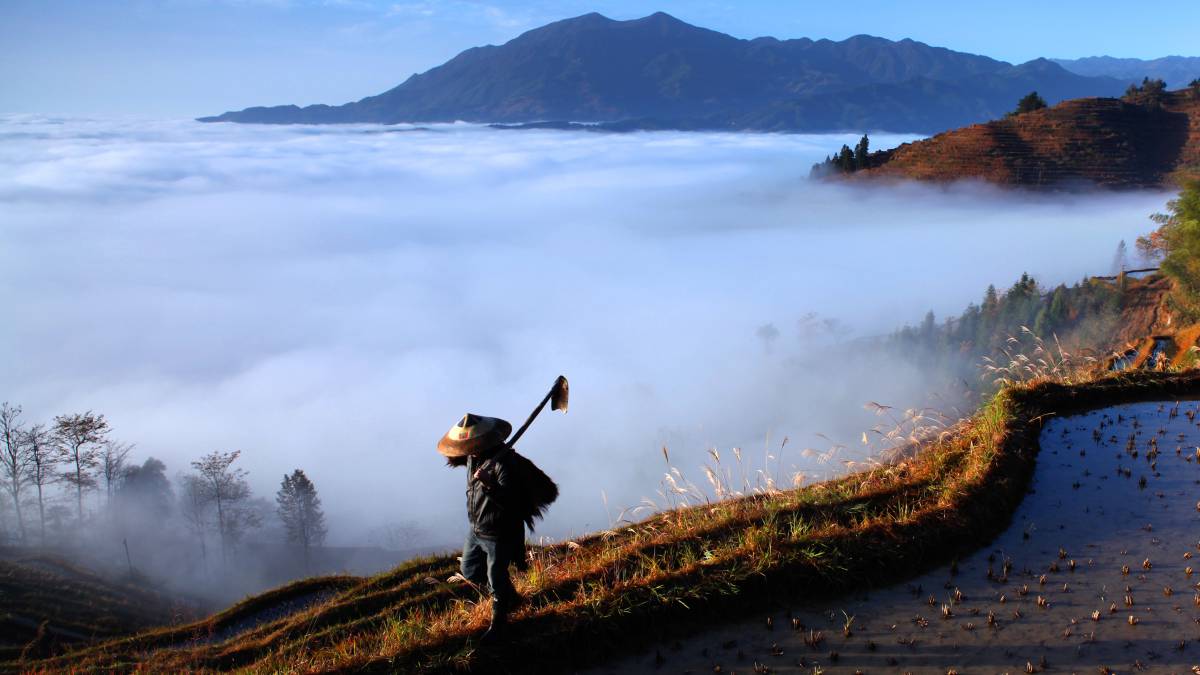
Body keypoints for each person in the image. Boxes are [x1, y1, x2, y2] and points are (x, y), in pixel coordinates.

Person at [439, 413, 545, 643]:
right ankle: (513, 598)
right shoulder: (473, 457)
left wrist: (489, 484)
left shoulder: (505, 463)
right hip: (476, 529)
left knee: (496, 579)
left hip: (499, 533)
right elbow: (457, 455)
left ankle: (499, 624)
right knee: (469, 570)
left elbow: (511, 501)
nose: (470, 449)